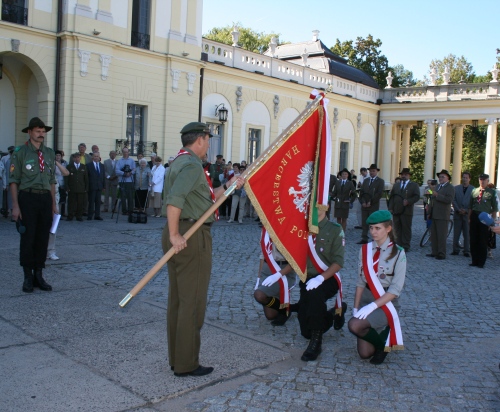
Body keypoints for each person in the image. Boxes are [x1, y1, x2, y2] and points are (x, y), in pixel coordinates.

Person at [162, 121, 244, 377]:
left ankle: (178, 358)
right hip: (190, 235)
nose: (209, 145)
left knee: (178, 300)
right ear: (199, 140)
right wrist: (176, 235)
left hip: (185, 231)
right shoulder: (190, 165)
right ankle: (186, 364)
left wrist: (231, 186)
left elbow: (206, 198)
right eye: (208, 140)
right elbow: (175, 201)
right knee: (192, 302)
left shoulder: (182, 161)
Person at [283, 208, 346, 362]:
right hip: (308, 279)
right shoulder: (303, 229)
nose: (316, 210)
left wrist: (321, 278)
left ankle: (316, 343)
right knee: (305, 331)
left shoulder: (335, 230)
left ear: (326, 207)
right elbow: (295, 256)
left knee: (316, 294)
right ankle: (333, 313)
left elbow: (338, 262)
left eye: (320, 206)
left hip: (328, 278)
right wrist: (280, 274)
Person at [348, 210, 406, 365]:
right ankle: (381, 338)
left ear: (388, 229)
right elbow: (360, 282)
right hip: (366, 300)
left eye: (377, 228)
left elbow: (395, 290)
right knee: (365, 354)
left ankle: (383, 344)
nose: (373, 232)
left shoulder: (399, 253)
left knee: (354, 325)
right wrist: (356, 307)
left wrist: (373, 306)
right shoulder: (365, 250)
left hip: (386, 304)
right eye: (371, 228)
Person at [9, 117, 57, 293]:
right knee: (28, 238)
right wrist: (15, 205)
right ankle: (27, 277)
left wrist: (53, 204)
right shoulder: (20, 152)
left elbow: (52, 180)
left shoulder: (49, 153)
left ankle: (39, 275)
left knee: (42, 238)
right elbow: (13, 181)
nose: (41, 134)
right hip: (27, 199)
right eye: (38, 131)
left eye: (43, 131)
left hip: (44, 199)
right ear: (29, 132)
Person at [253, 242, 296, 326]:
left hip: (284, 270)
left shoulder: (291, 230)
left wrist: (279, 275)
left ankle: (285, 310)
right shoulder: (266, 229)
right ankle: (286, 307)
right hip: (267, 269)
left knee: (260, 295)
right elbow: (263, 254)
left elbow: (297, 259)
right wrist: (259, 277)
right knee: (271, 315)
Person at [387, 168, 421, 252]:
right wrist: (390, 207)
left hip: (407, 211)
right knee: (396, 228)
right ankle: (397, 244)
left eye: (405, 174)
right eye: (402, 174)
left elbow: (417, 196)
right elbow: (392, 197)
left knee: (406, 228)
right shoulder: (396, 185)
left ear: (409, 175)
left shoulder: (414, 185)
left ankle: (406, 245)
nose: (403, 176)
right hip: (396, 210)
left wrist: (409, 201)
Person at [469, 173, 498, 268]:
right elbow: (470, 206)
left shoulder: (492, 192)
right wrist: (469, 218)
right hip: (474, 215)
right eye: (480, 179)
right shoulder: (474, 191)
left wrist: (492, 221)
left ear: (487, 181)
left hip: (484, 217)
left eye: (484, 180)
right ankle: (474, 260)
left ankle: (481, 262)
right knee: (473, 239)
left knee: (482, 240)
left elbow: (494, 208)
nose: (482, 181)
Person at [425, 169, 454, 260]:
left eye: (443, 177)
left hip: (443, 214)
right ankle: (434, 251)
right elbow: (432, 199)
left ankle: (441, 253)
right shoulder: (437, 186)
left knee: (441, 235)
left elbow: (449, 200)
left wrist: (438, 195)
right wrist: (429, 211)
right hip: (434, 213)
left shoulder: (450, 187)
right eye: (440, 176)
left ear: (447, 178)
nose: (440, 178)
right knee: (434, 234)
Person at [47, 158, 70, 261]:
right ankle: (41, 250)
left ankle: (51, 251)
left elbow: (65, 172)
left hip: (55, 198)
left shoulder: (53, 165)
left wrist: (56, 162)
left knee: (53, 227)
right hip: (43, 196)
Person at [358, 164, 385, 244]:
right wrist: (362, 202)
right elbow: (361, 192)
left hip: (373, 205)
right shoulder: (366, 181)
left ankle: (375, 238)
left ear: (377, 171)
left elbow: (379, 193)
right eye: (371, 171)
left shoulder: (380, 181)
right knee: (364, 222)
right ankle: (364, 237)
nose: (372, 172)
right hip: (364, 205)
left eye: (373, 171)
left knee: (374, 222)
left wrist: (371, 202)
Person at [452, 172, 474, 257]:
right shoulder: (456, 188)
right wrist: (458, 209)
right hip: (457, 213)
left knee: (467, 234)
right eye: (463, 177)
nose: (464, 179)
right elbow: (453, 200)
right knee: (456, 233)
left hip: (467, 214)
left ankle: (466, 250)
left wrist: (466, 210)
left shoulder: (473, 189)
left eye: (466, 178)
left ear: (469, 179)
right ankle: (455, 249)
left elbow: (473, 202)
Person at [65, 152, 88, 221]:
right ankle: (70, 215)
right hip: (72, 188)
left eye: (78, 157)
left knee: (80, 203)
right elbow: (66, 178)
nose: (77, 159)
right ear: (73, 158)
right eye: (75, 157)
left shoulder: (83, 166)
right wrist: (67, 186)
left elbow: (86, 178)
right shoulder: (69, 166)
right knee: (71, 203)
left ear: (80, 158)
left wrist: (86, 188)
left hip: (81, 188)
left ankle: (79, 216)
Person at [115, 147, 136, 215]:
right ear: (122, 152)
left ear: (128, 152)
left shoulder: (132, 160)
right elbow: (117, 170)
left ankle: (130, 210)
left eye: (126, 152)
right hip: (122, 180)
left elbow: (134, 169)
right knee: (123, 196)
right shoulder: (119, 161)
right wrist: (123, 173)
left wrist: (130, 173)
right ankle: (124, 210)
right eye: (124, 152)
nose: (125, 153)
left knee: (130, 196)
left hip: (130, 180)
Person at [87, 151, 105, 220]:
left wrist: (104, 186)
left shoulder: (102, 166)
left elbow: (103, 176)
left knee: (98, 202)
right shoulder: (88, 165)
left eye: (97, 156)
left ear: (99, 157)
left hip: (99, 186)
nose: (96, 158)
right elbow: (87, 177)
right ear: (92, 157)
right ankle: (90, 215)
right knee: (91, 202)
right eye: (95, 156)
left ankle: (97, 215)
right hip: (92, 186)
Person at [1, 145, 14, 218]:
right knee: (5, 198)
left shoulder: (16, 159)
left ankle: (12, 212)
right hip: (6, 181)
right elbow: (4, 171)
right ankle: (5, 211)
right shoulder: (5, 158)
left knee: (11, 198)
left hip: (12, 182)